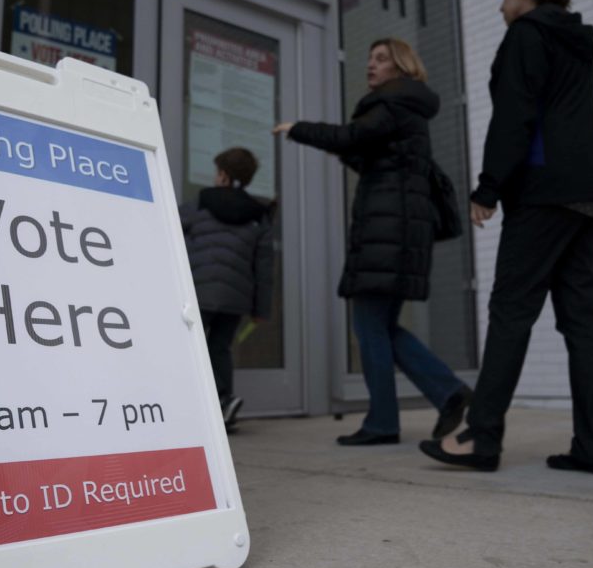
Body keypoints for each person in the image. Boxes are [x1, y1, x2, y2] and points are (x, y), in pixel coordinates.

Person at [420, 0, 593, 474]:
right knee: (582, 324)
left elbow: (514, 115)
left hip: (544, 191)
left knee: (511, 310)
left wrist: (489, 187)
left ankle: (481, 437)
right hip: (588, 191)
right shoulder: (578, 41)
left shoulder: (527, 36)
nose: (501, 5)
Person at [273, 38, 472, 446]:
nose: (370, 66)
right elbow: (376, 156)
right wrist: (346, 151)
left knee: (369, 325)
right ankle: (446, 393)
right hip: (399, 229)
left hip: (389, 231)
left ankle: (390, 419)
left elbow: (351, 137)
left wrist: (299, 130)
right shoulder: (407, 108)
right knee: (379, 325)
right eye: (369, 59)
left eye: (381, 59)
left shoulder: (393, 102)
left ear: (400, 67)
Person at [179, 147, 274, 432]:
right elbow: (264, 267)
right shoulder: (259, 215)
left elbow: (171, 229)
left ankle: (185, 405)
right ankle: (223, 401)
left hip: (200, 290)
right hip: (235, 297)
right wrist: (261, 310)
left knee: (187, 346)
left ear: (222, 174)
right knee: (219, 347)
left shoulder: (200, 204)